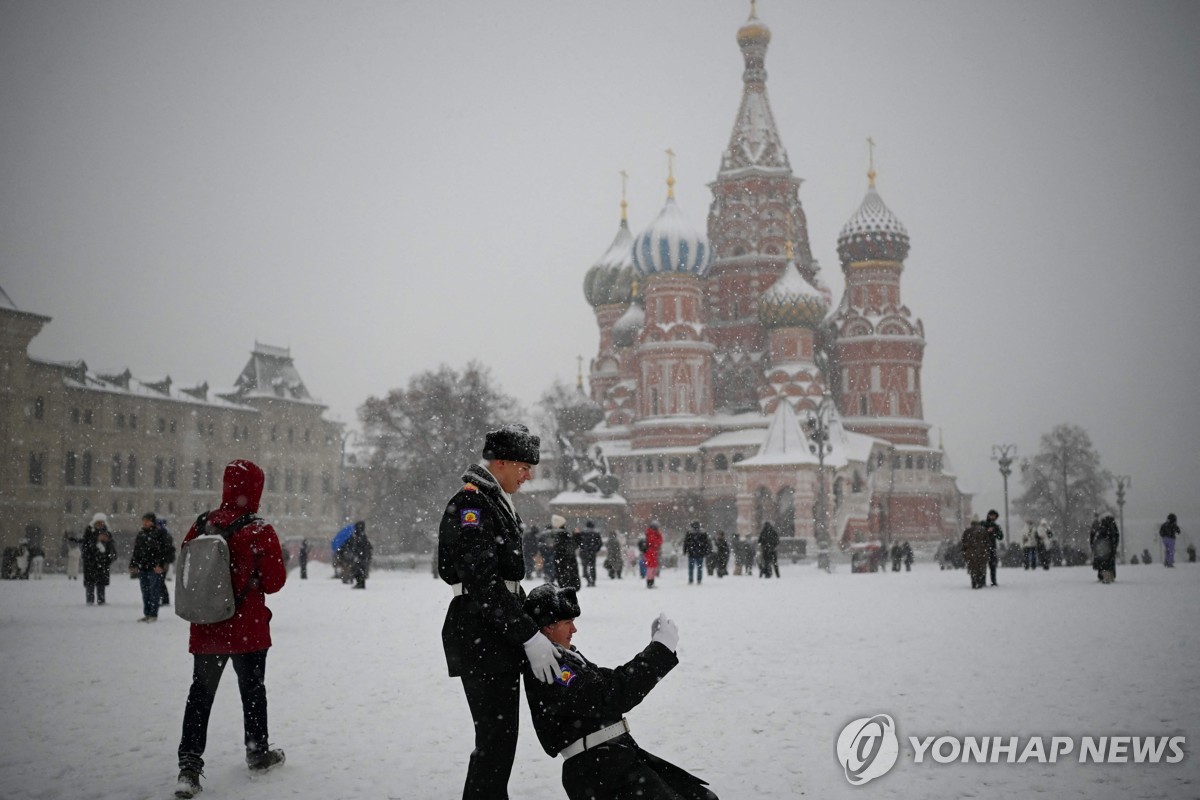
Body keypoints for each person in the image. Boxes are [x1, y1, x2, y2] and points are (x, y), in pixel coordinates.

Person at [437, 423, 560, 800]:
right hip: (481, 634)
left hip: (492, 631)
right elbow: (483, 584)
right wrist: (527, 634)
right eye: (524, 467)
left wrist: (538, 620)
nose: (529, 476)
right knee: (495, 741)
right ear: (501, 462)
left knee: (500, 741)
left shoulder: (492, 500)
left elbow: (501, 584)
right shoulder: (473, 504)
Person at [520, 584, 718, 800]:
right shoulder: (549, 665)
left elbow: (612, 680)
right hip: (600, 770)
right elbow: (610, 695)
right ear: (548, 627)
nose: (574, 630)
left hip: (612, 760)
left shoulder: (564, 656)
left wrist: (654, 650)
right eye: (568, 623)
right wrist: (659, 651)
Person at [174, 459, 288, 799]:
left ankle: (189, 766)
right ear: (256, 489)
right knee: (252, 691)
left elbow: (187, 568)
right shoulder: (259, 529)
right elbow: (275, 581)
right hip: (247, 628)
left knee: (200, 695)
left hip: (208, 625)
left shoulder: (202, 524)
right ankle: (257, 752)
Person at [130, 512, 170, 622]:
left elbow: (164, 551)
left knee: (154, 591)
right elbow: (137, 551)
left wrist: (160, 565)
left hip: (154, 568)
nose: (145, 523)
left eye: (147, 520)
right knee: (145, 592)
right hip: (143, 567)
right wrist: (133, 564)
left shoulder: (160, 534)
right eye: (144, 520)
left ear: (152, 521)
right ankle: (147, 613)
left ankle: (153, 614)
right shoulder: (141, 534)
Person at [76, 513, 118, 605]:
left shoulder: (107, 533)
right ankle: (90, 600)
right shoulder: (88, 531)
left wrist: (106, 541)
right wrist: (96, 540)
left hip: (102, 562)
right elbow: (86, 545)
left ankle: (101, 600)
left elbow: (110, 546)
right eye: (98, 523)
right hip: (90, 562)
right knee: (90, 583)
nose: (100, 525)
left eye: (101, 523)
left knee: (101, 582)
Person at [552, 516, 582, 591]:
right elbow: (573, 546)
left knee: (563, 582)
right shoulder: (565, 534)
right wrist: (577, 536)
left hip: (560, 562)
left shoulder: (555, 535)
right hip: (568, 562)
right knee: (568, 585)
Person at [1090, 513, 1120, 583]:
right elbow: (1116, 537)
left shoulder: (1100, 526)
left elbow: (1094, 537)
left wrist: (1094, 547)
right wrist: (1114, 547)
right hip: (1110, 547)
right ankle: (1109, 575)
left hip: (1103, 548)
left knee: (1102, 563)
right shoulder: (1112, 526)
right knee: (1109, 562)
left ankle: (1103, 575)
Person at [961, 517, 989, 589]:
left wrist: (964, 552)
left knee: (973, 568)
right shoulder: (983, 530)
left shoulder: (967, 531)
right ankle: (979, 583)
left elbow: (963, 542)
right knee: (980, 568)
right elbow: (987, 543)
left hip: (970, 553)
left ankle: (974, 582)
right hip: (982, 553)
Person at [344, 521, 373, 589]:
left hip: (360, 557)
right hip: (362, 556)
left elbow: (360, 547)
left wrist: (357, 553)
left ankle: (360, 584)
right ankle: (360, 583)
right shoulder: (360, 536)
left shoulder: (359, 536)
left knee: (358, 570)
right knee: (359, 570)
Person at [981, 509, 1004, 587]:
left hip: (992, 548)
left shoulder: (996, 526)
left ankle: (993, 581)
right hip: (983, 547)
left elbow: (1000, 537)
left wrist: (994, 532)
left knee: (993, 565)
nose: (993, 517)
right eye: (992, 515)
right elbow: (978, 534)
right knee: (983, 565)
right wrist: (986, 531)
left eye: (994, 516)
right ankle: (982, 581)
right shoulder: (983, 524)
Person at [156, 517, 175, 606]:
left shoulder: (164, 535)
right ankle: (164, 599)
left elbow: (166, 550)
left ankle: (164, 599)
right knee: (160, 581)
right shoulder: (166, 534)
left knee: (160, 581)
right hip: (164, 561)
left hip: (163, 562)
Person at [579, 520, 603, 588]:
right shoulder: (596, 533)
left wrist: (582, 548)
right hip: (592, 553)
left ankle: (588, 579)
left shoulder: (583, 533)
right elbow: (600, 543)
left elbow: (579, 542)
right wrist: (595, 549)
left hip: (584, 552)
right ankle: (593, 580)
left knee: (585, 567)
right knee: (592, 567)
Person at [643, 521, 663, 589]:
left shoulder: (651, 533)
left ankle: (651, 582)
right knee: (651, 568)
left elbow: (659, 542)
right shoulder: (652, 534)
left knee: (652, 568)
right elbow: (657, 542)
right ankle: (650, 583)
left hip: (652, 553)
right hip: (651, 553)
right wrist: (658, 535)